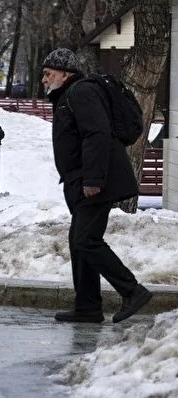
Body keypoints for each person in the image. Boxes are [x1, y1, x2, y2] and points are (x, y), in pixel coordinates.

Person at [41, 48, 152, 323]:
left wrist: (93, 180)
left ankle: (132, 291)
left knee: (86, 240)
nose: (43, 79)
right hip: (83, 180)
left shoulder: (80, 92)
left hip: (97, 181)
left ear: (64, 74)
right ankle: (88, 307)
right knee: (78, 242)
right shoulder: (68, 95)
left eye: (48, 73)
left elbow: (97, 134)